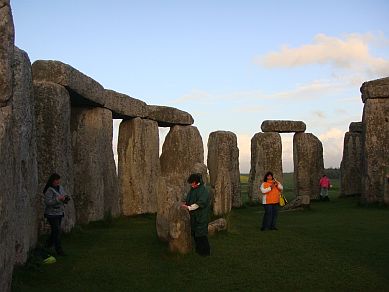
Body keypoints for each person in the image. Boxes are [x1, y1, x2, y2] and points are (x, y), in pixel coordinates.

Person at [181, 173, 211, 256]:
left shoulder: (203, 190)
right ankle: (199, 250)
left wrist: (189, 207)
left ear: (196, 181)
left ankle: (205, 252)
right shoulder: (193, 189)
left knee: (201, 235)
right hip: (194, 216)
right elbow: (189, 199)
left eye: (192, 183)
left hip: (201, 216)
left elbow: (200, 203)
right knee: (195, 234)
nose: (191, 184)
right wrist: (185, 203)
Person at [43, 173, 70, 256]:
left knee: (55, 231)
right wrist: (58, 199)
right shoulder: (49, 190)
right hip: (51, 214)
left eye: (58, 180)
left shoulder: (60, 187)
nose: (58, 181)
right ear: (52, 181)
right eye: (56, 180)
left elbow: (63, 194)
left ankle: (47, 245)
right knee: (57, 231)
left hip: (59, 213)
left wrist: (65, 198)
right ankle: (59, 250)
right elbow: (48, 202)